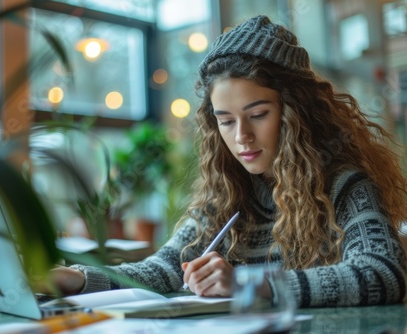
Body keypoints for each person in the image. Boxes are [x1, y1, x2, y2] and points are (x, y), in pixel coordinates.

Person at [48, 15, 407, 308]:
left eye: (258, 114)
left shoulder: (346, 185)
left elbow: (383, 273)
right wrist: (75, 278)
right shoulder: (225, 194)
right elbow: (165, 268)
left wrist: (248, 283)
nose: (242, 137)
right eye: (226, 120)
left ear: (296, 113)